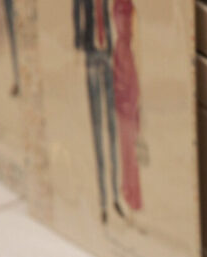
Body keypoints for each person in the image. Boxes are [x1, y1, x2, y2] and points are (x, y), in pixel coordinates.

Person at [73, 0, 122, 223]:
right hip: (92, 57)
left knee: (112, 130)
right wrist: (79, 44)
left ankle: (115, 196)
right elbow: (77, 14)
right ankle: (102, 202)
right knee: (97, 131)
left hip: (108, 57)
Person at [111, 0, 141, 210]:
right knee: (125, 142)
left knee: (130, 142)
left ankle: (132, 192)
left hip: (127, 65)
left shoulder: (130, 8)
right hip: (121, 63)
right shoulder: (116, 5)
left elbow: (136, 41)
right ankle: (127, 189)